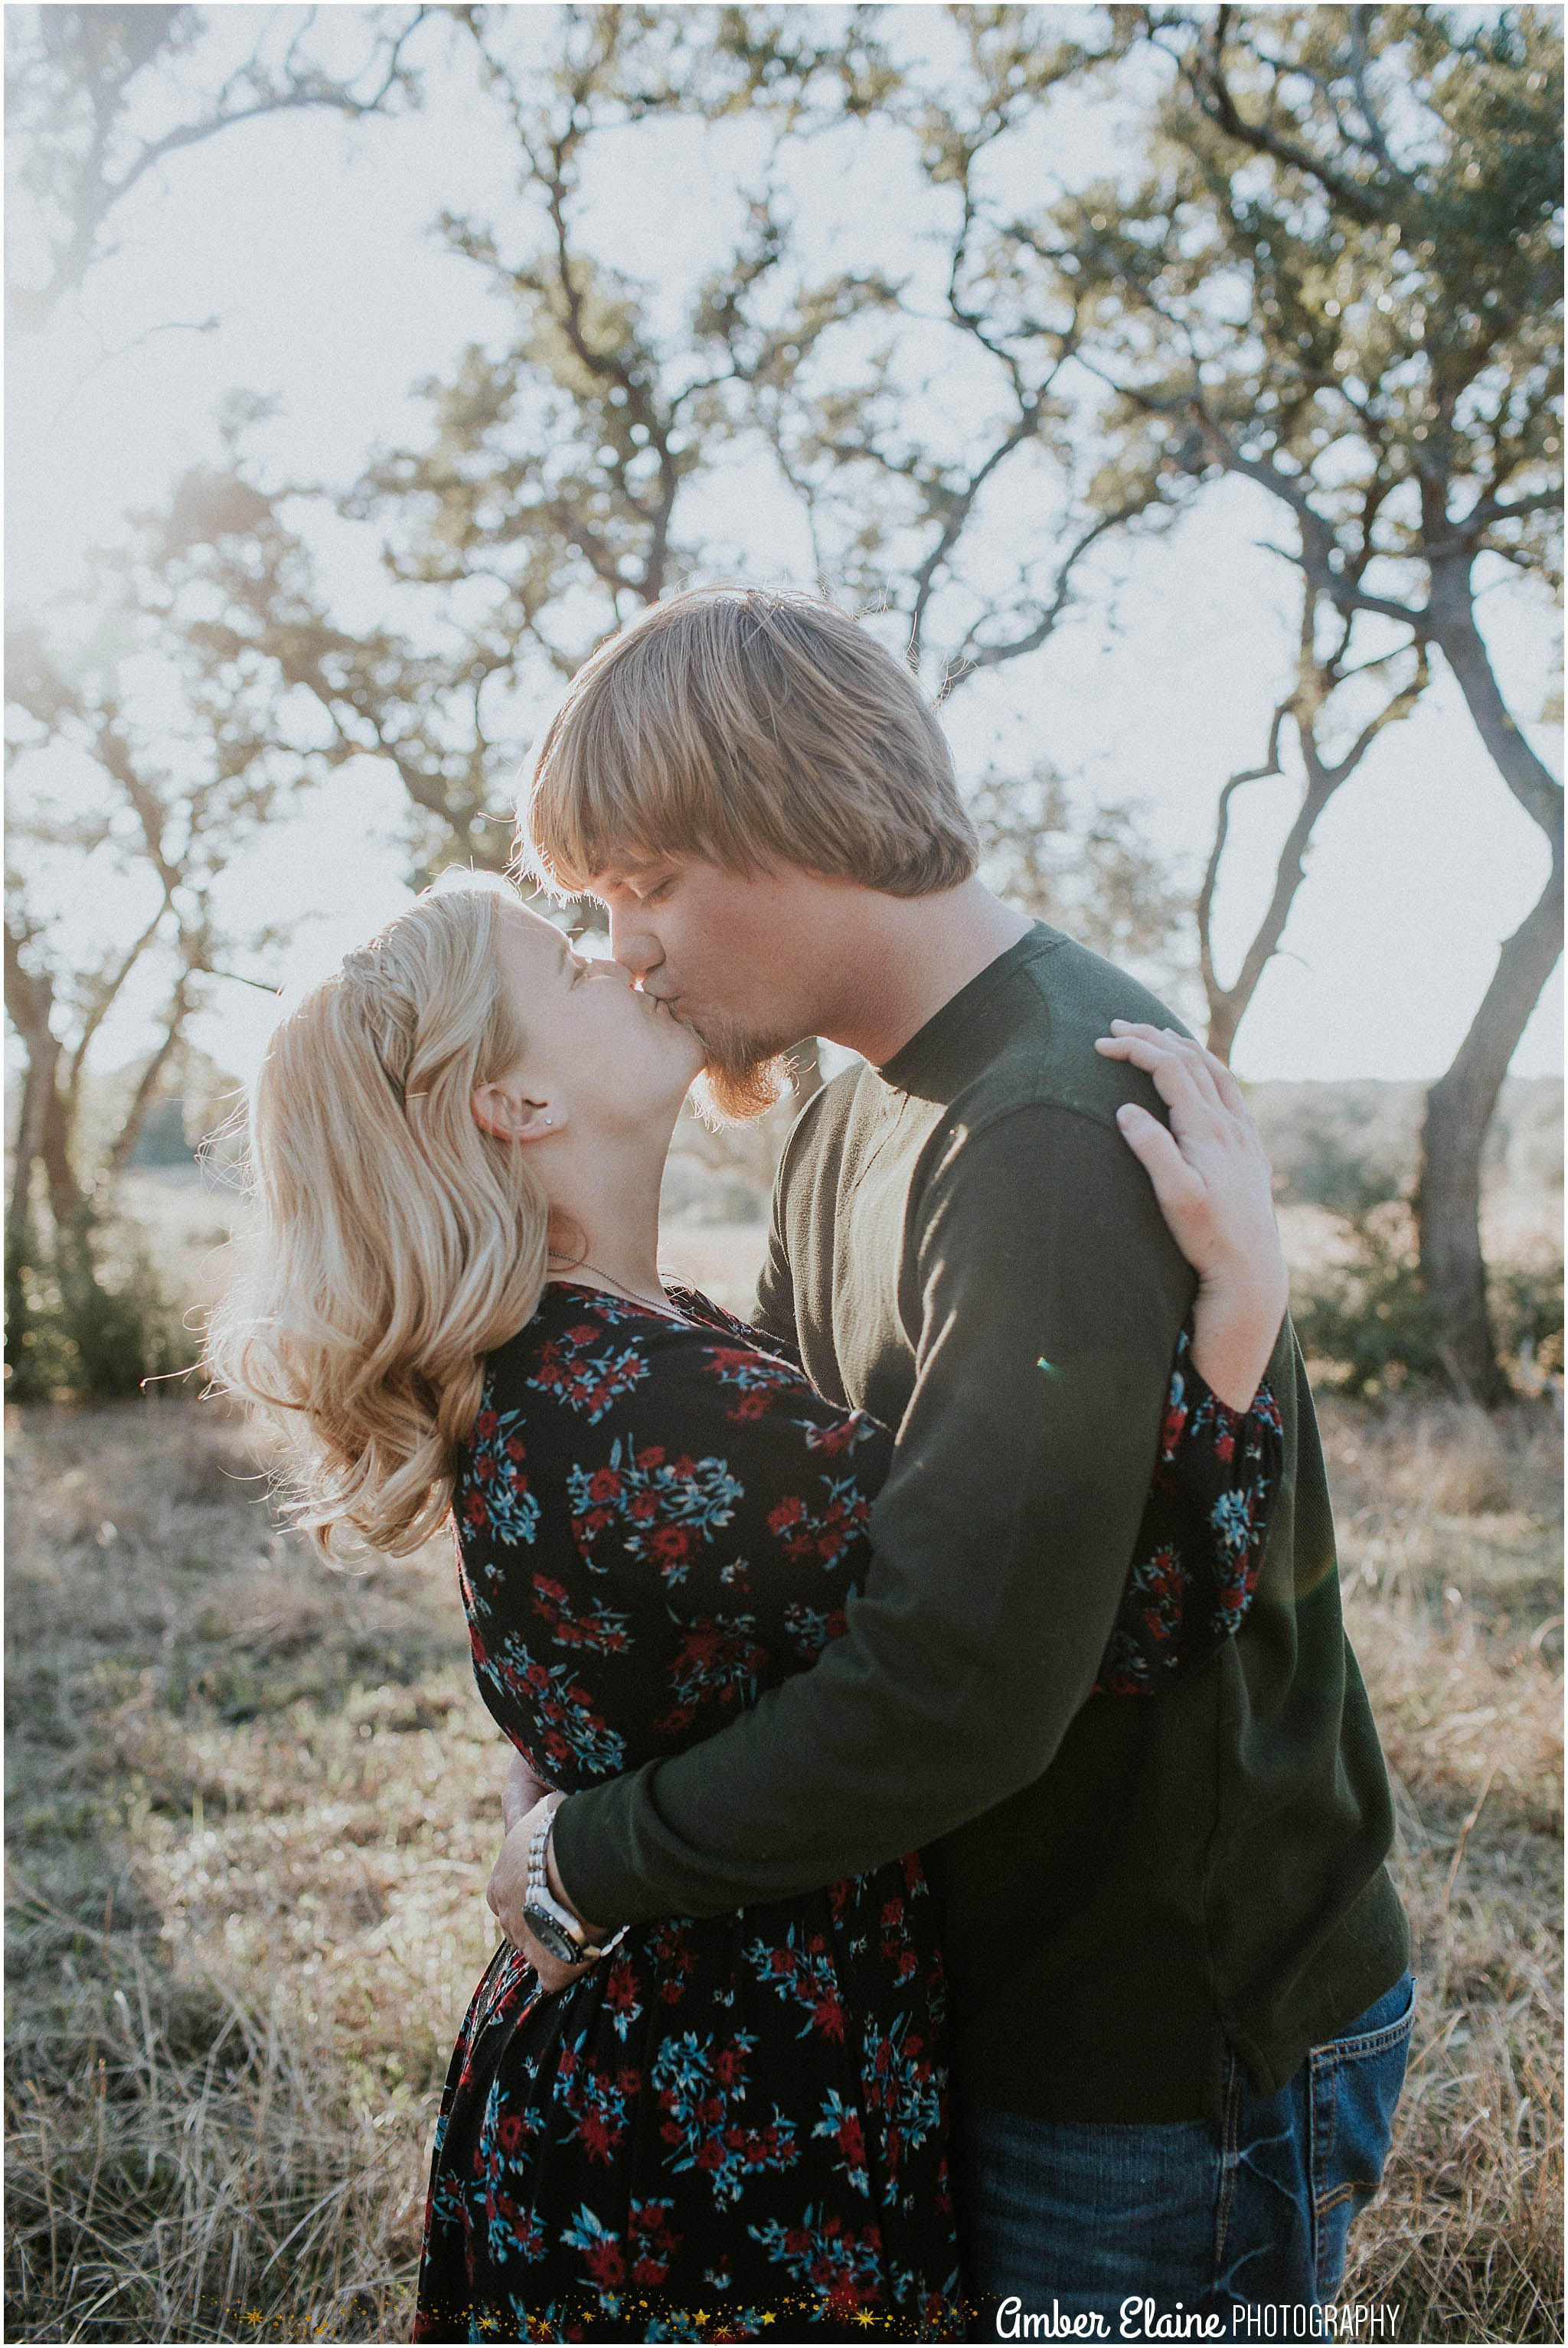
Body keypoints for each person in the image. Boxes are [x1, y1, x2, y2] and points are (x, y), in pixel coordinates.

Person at [489, 585, 1414, 2330]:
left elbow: (957, 1679)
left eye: (644, 886)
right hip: (993, 1982)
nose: (623, 949)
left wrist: (587, 1860)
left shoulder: (1047, 1129)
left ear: (781, 816)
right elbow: (810, 1542)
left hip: (1155, 2038)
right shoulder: (854, 1102)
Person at [206, 880, 1288, 2340]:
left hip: (652, 2047)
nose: (618, 953)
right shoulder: (652, 1411)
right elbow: (1109, 1620)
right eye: (567, 963)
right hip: (724, 2101)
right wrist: (1242, 1307)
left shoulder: (603, 1350)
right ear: (514, 1100)